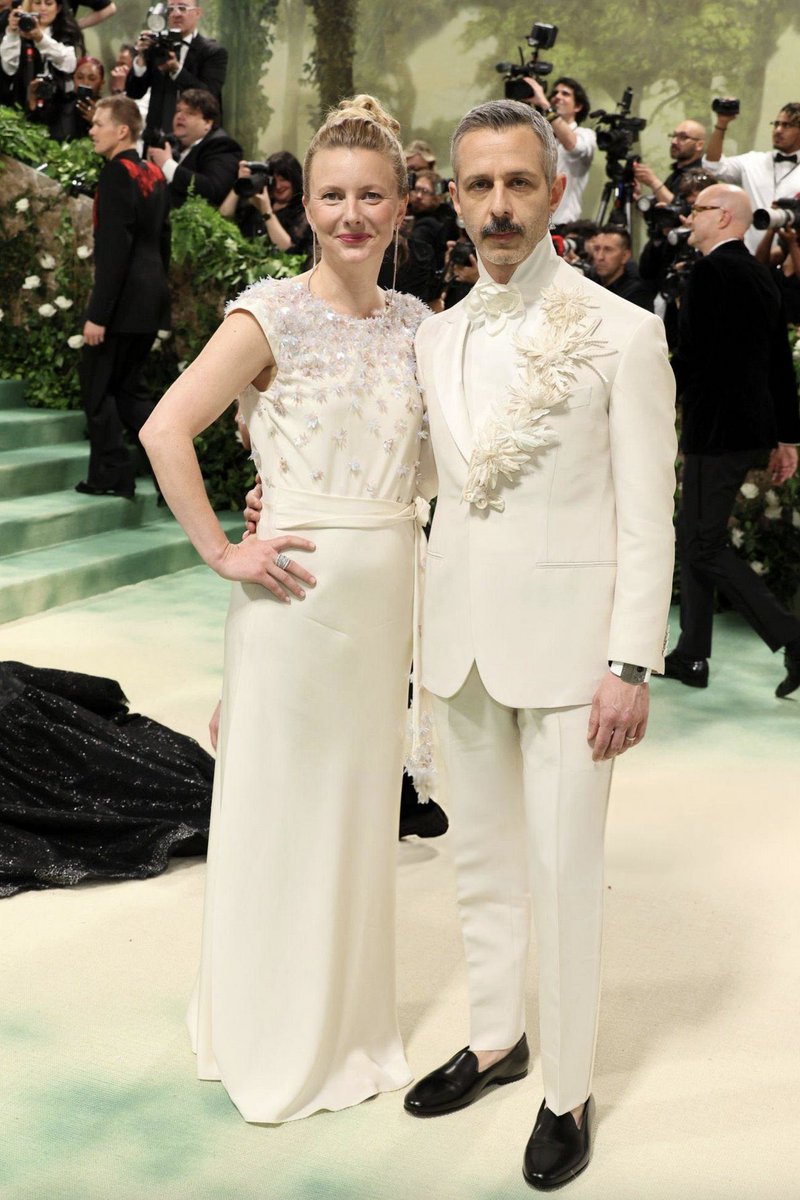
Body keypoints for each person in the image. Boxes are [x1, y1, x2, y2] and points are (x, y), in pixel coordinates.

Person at [139, 95, 435, 1124]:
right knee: (281, 814)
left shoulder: (418, 329)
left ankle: (343, 1021)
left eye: (370, 196)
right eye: (330, 196)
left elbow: (435, 467)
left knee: (356, 820)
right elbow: (165, 430)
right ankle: (266, 1029)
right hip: (293, 607)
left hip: (382, 608)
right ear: (301, 204)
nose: (350, 215)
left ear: (403, 204)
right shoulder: (270, 310)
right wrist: (227, 547)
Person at [402, 100, 676, 1191]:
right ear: (454, 198)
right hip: (459, 642)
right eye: (479, 186)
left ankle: (565, 1085)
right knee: (479, 864)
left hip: (574, 659)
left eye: (519, 183)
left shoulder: (623, 330)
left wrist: (629, 661)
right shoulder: (432, 334)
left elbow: (644, 511)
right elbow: (434, 486)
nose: (499, 205)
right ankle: (492, 1038)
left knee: (564, 873)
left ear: (554, 191)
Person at [665, 183, 800, 697]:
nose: (689, 217)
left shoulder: (710, 273)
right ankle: (692, 655)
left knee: (702, 543)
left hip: (715, 431)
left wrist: (664, 416)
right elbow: (778, 367)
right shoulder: (762, 276)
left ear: (723, 217)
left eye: (697, 209)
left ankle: (792, 635)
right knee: (697, 535)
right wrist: (787, 438)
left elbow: (694, 359)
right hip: (747, 431)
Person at [76, 96, 170, 499]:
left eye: (99, 123)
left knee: (97, 388)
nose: (92, 130)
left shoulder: (116, 173)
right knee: (131, 392)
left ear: (123, 131)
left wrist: (98, 314)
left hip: (121, 304)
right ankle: (171, 478)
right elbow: (163, 243)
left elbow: (115, 250)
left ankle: (112, 475)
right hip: (149, 301)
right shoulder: (154, 173)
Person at [703, 101, 800, 252]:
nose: (778, 130)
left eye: (786, 125)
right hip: (748, 258)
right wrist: (721, 124)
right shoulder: (753, 161)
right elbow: (713, 167)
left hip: (791, 263)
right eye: (776, 124)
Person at [125, 0, 227, 138]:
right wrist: (141, 59)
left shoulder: (213, 52)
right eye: (171, 9)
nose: (176, 14)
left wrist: (177, 71)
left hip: (194, 141)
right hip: (155, 138)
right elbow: (134, 92)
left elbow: (209, 96)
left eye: (182, 8)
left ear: (197, 13)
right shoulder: (157, 46)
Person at [0, 0, 83, 139]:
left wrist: (40, 37)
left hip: (56, 109)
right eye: (37, 3)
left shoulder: (66, 33)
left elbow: (69, 64)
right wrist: (12, 32)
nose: (42, 8)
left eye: (49, 3)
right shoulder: (21, 29)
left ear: (58, 8)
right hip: (21, 104)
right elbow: (9, 68)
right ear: (30, 6)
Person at [146, 88, 240, 209]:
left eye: (190, 113)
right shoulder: (169, 143)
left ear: (208, 123)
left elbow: (213, 189)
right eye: (178, 111)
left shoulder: (222, 147)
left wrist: (167, 165)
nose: (180, 116)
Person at [522, 75, 596, 226]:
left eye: (565, 94)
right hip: (533, 227)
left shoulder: (586, 135)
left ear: (578, 107)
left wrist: (545, 105)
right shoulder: (542, 138)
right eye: (555, 93)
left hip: (563, 226)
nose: (557, 97)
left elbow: (574, 147)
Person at [633, 119, 706, 204]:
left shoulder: (701, 177)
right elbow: (660, 211)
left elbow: (683, 212)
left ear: (699, 145)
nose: (673, 141)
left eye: (683, 137)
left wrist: (653, 182)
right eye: (674, 136)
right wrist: (638, 198)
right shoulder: (676, 174)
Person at [591, 225, 654, 310]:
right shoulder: (589, 282)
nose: (600, 257)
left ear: (625, 256)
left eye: (608, 250)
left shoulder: (637, 293)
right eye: (596, 249)